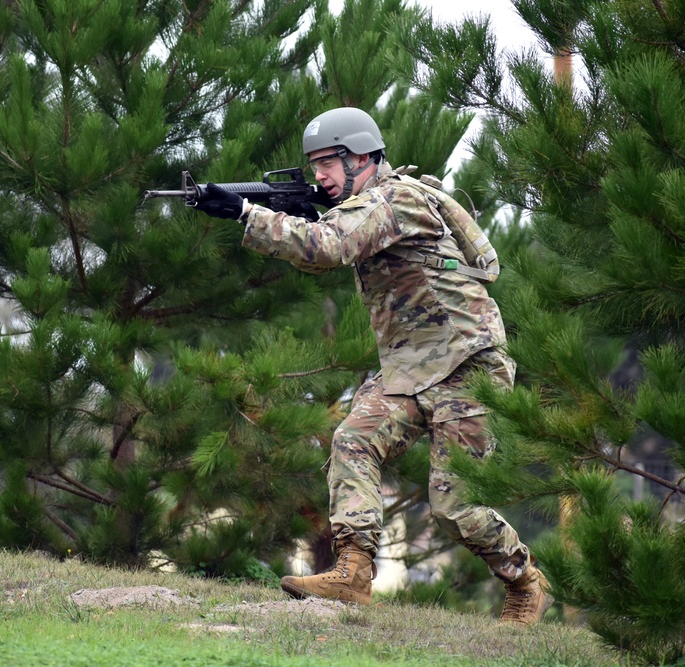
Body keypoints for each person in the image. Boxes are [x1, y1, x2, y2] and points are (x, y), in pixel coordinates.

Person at [190, 106, 551, 625]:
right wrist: (270, 213)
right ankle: (354, 574)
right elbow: (324, 245)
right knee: (353, 440)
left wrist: (247, 213)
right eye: (313, 164)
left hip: (466, 364)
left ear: (361, 156)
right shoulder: (362, 204)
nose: (319, 175)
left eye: (328, 163)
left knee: (455, 510)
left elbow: (329, 245)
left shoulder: (396, 199)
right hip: (409, 369)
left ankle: (525, 582)